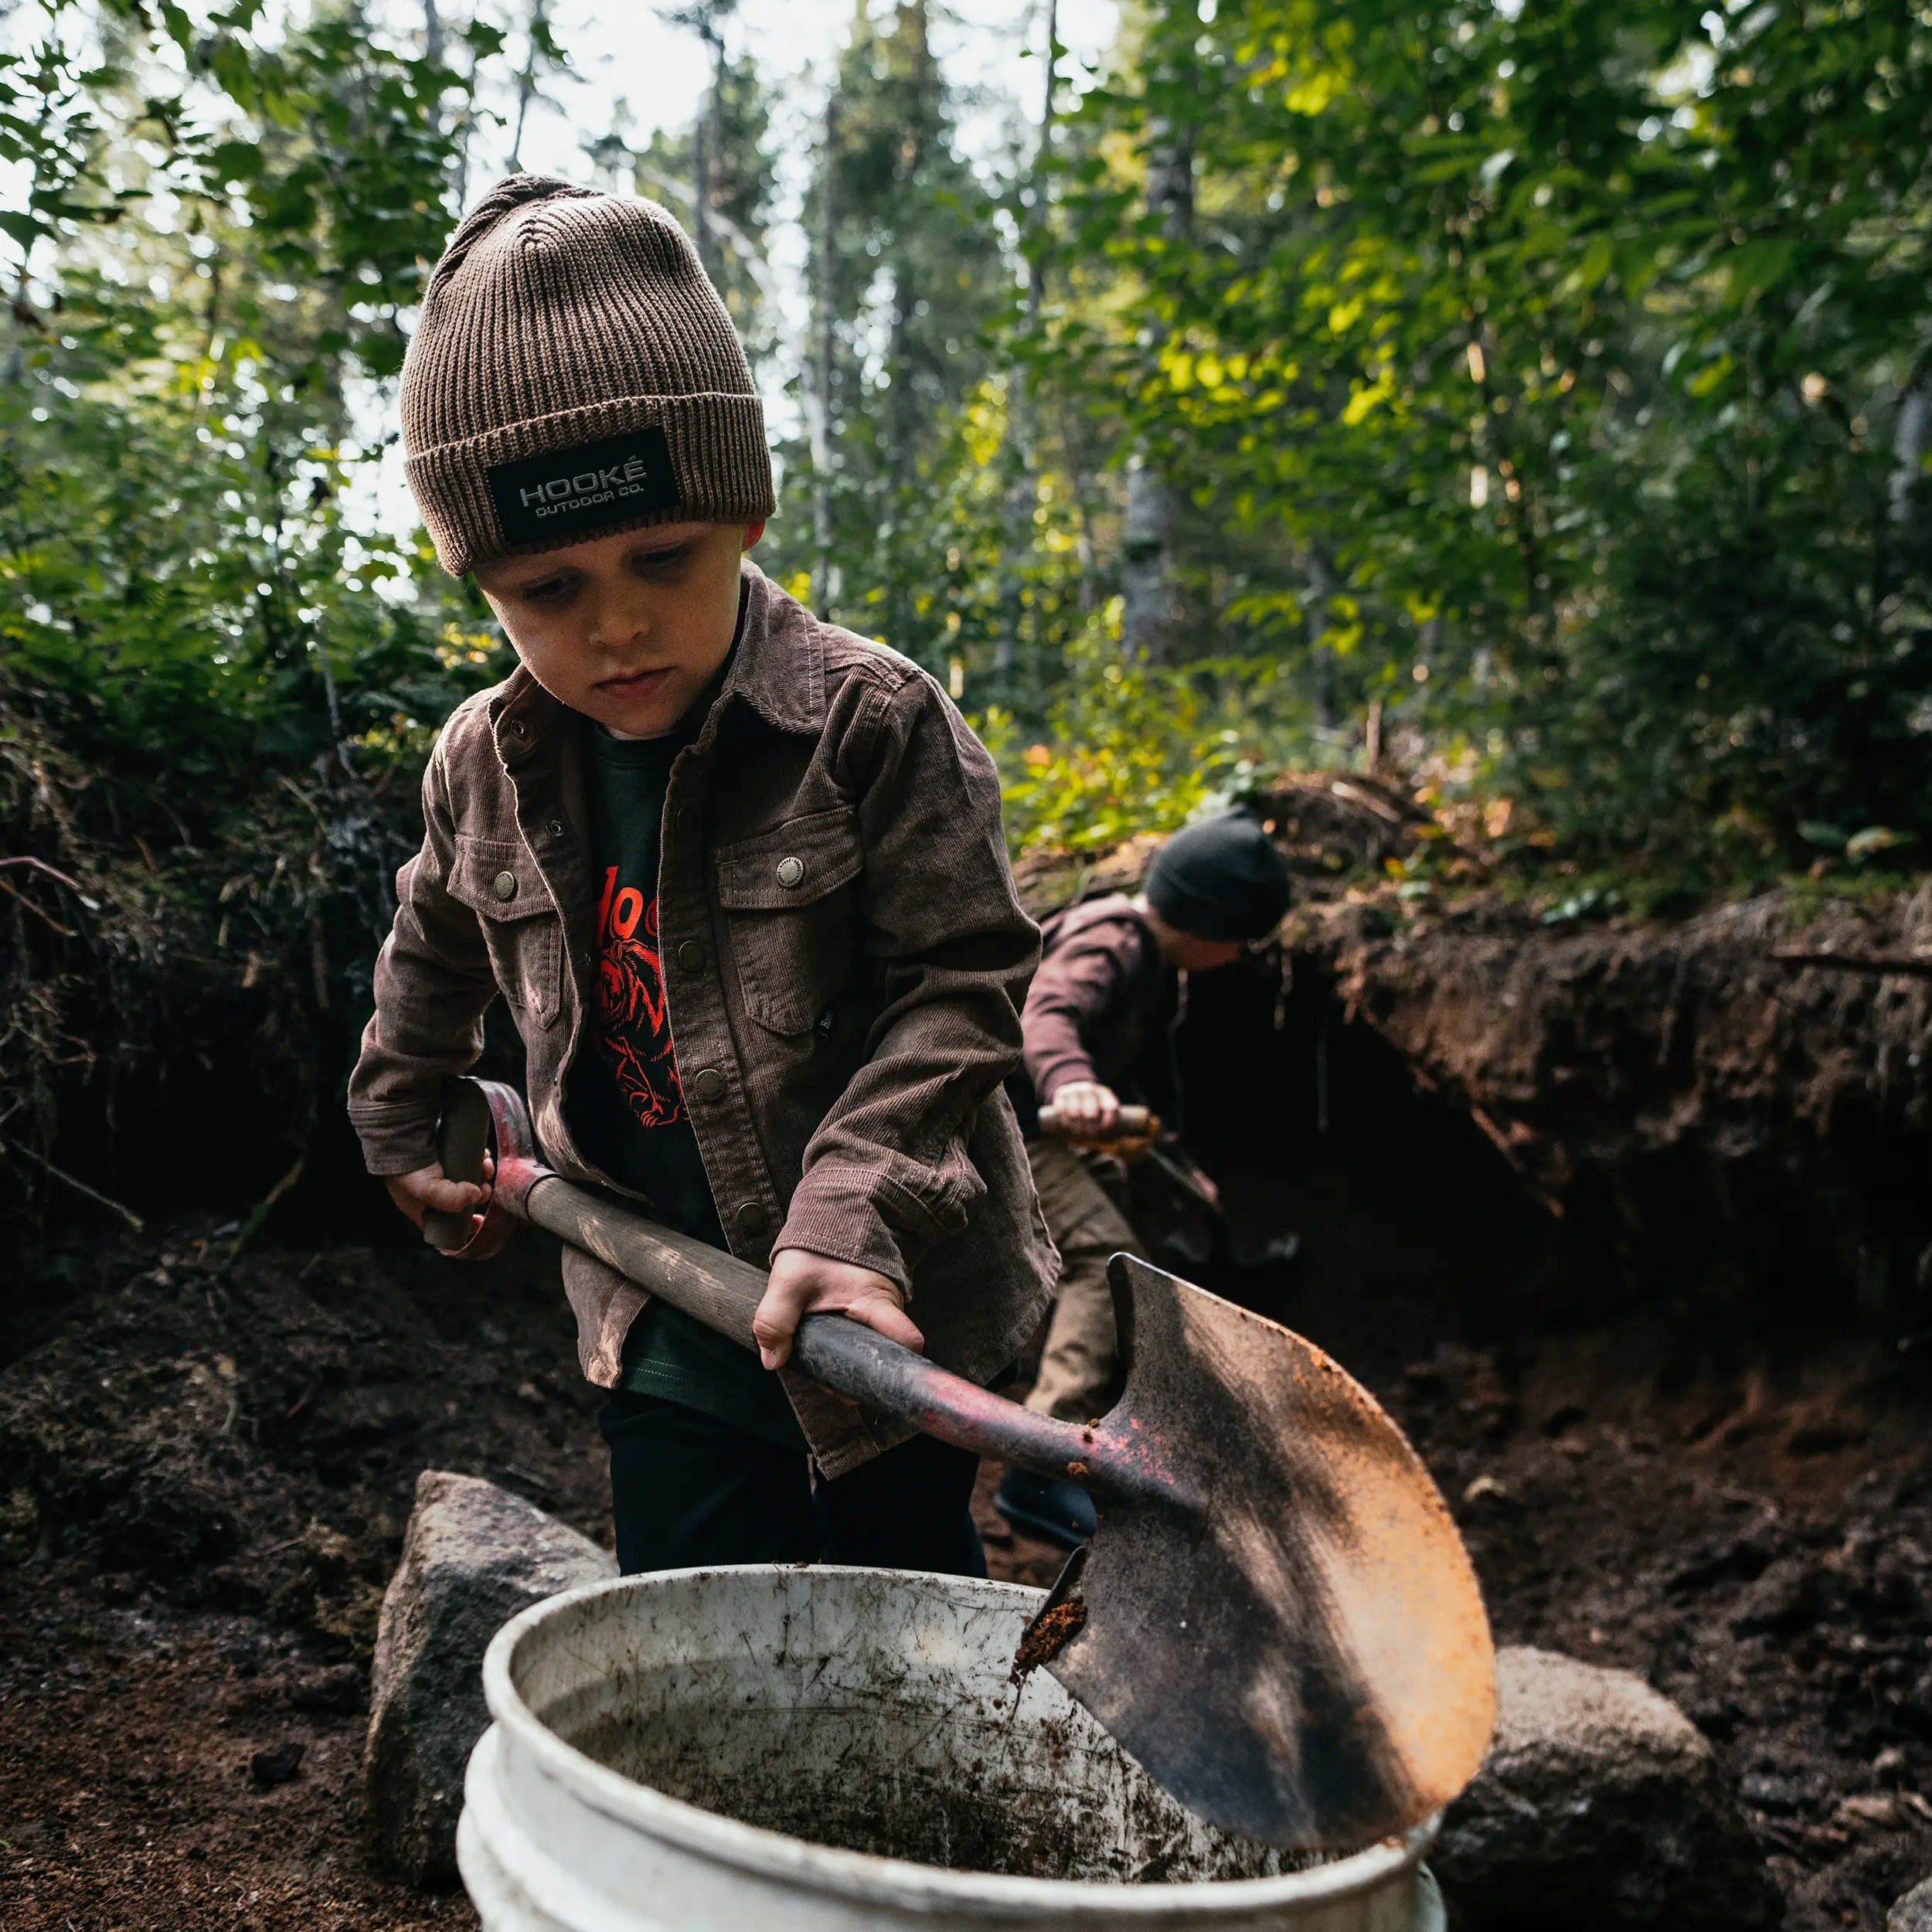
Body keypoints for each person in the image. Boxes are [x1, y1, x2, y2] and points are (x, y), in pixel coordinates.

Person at [348, 177, 1055, 1579]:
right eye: (545, 591)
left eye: (659, 558)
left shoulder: (870, 726)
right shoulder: (480, 762)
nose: (614, 625)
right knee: (692, 1622)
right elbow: (431, 939)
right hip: (659, 1305)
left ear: (743, 518)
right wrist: (396, 1116)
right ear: (482, 587)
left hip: (883, 1309)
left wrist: (852, 1218)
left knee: (898, 1617)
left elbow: (966, 990)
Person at [994, 812, 1291, 1549]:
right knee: (1101, 1260)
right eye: (1243, 939)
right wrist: (1073, 1084)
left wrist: (1185, 1174)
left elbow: (1152, 1095)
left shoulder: (1156, 969)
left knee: (1136, 1224)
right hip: (1009, 1124)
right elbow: (1048, 1011)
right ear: (1212, 925)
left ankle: (1118, 1421)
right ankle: (1040, 1461)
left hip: (1052, 1126)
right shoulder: (1113, 939)